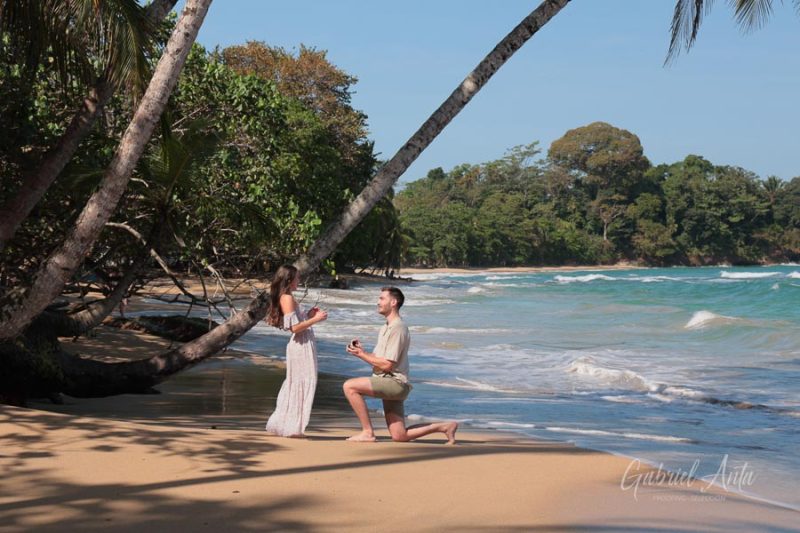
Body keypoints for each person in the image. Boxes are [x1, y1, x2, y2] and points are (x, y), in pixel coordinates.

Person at [343, 286, 458, 444]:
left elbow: (387, 365)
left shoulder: (398, 327)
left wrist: (361, 355)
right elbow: (379, 358)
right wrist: (361, 351)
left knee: (350, 386)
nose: (378, 302)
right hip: (388, 381)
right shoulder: (386, 327)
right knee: (399, 436)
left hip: (394, 383)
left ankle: (367, 432)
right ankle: (445, 427)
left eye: (382, 298)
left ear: (393, 302)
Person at [265, 265, 328, 437]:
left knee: (299, 382)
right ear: (289, 280)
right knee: (301, 382)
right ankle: (291, 426)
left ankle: (289, 424)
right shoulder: (286, 298)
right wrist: (315, 319)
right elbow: (293, 328)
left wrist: (308, 315)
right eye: (297, 278)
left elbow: (297, 322)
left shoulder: (288, 297)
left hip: (303, 342)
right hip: (300, 344)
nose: (299, 281)